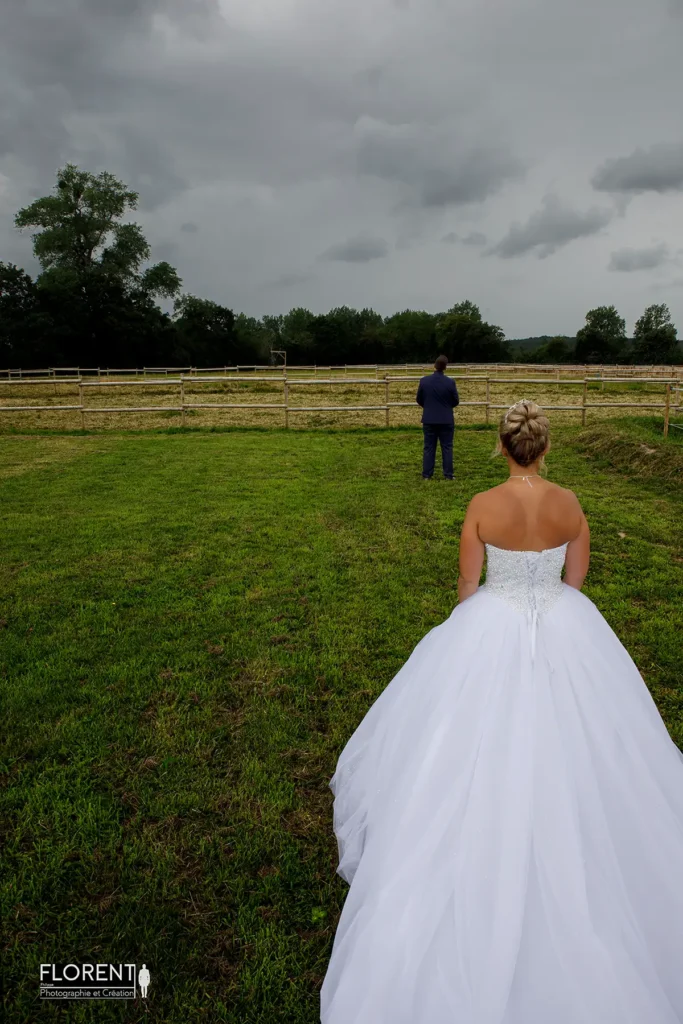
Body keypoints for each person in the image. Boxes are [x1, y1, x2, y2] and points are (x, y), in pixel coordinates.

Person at [321, 400, 683, 1024]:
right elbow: (576, 581)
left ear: (503, 445)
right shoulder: (570, 505)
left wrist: (470, 632)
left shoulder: (482, 505)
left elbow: (468, 585)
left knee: (458, 746)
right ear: (544, 447)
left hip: (494, 618)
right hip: (563, 622)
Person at [416, 355, 459, 480]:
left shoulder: (424, 381)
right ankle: (448, 474)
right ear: (445, 367)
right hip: (446, 419)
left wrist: (428, 407)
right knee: (447, 447)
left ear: (434, 365)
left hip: (429, 419)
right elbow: (455, 400)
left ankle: (427, 475)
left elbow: (419, 399)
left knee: (429, 447)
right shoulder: (450, 382)